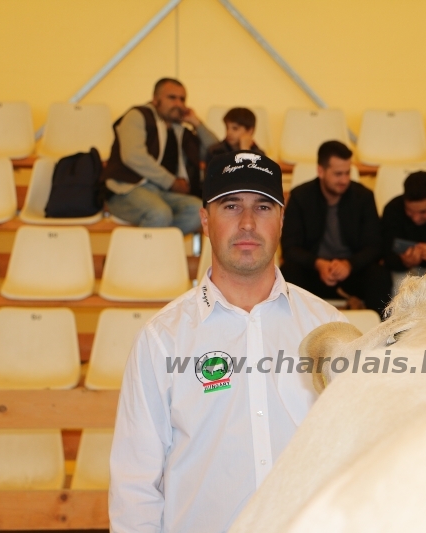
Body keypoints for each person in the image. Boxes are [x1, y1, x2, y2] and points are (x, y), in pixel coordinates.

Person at [109, 150, 346, 533]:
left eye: (263, 207)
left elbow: (353, 456)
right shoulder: (162, 339)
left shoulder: (329, 329)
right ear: (205, 220)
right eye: (231, 206)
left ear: (282, 220)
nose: (248, 223)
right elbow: (135, 484)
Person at [281, 140, 392, 316]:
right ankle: (293, 328)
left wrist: (349, 264)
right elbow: (290, 248)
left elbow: (374, 246)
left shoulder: (363, 197)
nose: (344, 180)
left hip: (352, 273)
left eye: (347, 173)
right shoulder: (300, 197)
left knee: (379, 275)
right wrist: (318, 264)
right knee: (289, 272)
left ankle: (379, 330)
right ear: (321, 171)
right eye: (338, 174)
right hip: (314, 272)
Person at [101, 78, 218, 232]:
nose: (178, 104)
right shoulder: (137, 115)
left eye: (182, 99)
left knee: (198, 211)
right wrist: (171, 182)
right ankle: (151, 246)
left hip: (162, 194)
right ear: (155, 100)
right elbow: (133, 156)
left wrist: (196, 122)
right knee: (159, 214)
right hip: (127, 190)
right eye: (172, 97)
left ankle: (158, 244)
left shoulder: (181, 132)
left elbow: (216, 151)